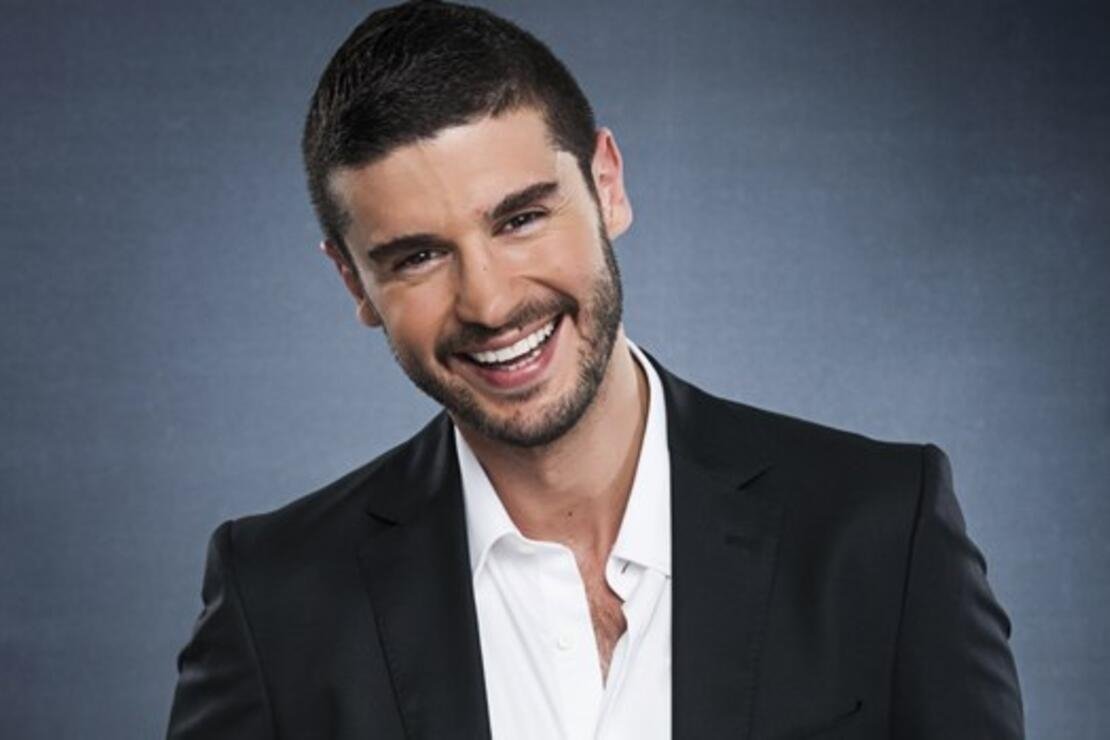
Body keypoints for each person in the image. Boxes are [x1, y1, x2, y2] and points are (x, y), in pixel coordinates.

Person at [166, 1, 1024, 737]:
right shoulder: (275, 600)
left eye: (520, 219)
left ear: (607, 184)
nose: (490, 303)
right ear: (354, 282)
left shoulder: (882, 530)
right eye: (419, 256)